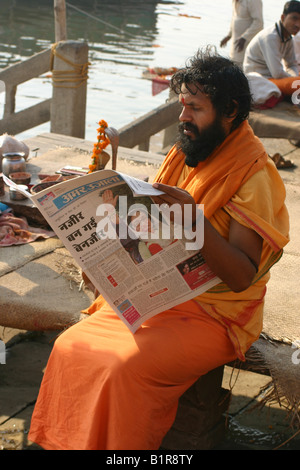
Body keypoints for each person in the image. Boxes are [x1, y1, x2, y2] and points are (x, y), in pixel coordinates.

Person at [28, 48, 289, 450]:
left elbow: (240, 277)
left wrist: (193, 220)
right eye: (182, 106)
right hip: (155, 296)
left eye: (195, 108)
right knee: (69, 346)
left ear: (230, 110)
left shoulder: (254, 175)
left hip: (214, 316)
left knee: (121, 368)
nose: (183, 118)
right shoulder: (187, 151)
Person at [243, 1, 300, 108]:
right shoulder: (270, 37)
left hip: (273, 79)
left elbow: (292, 64)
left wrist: (295, 78)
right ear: (283, 17)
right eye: (294, 18)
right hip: (259, 80)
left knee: (296, 82)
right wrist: (294, 81)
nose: (298, 24)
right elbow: (277, 73)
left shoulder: (288, 38)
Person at [220, 0, 263, 67]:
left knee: (245, 70)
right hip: (236, 47)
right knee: (234, 68)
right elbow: (235, 18)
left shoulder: (254, 1)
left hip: (248, 46)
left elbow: (259, 23)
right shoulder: (235, 1)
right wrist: (229, 36)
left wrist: (245, 37)